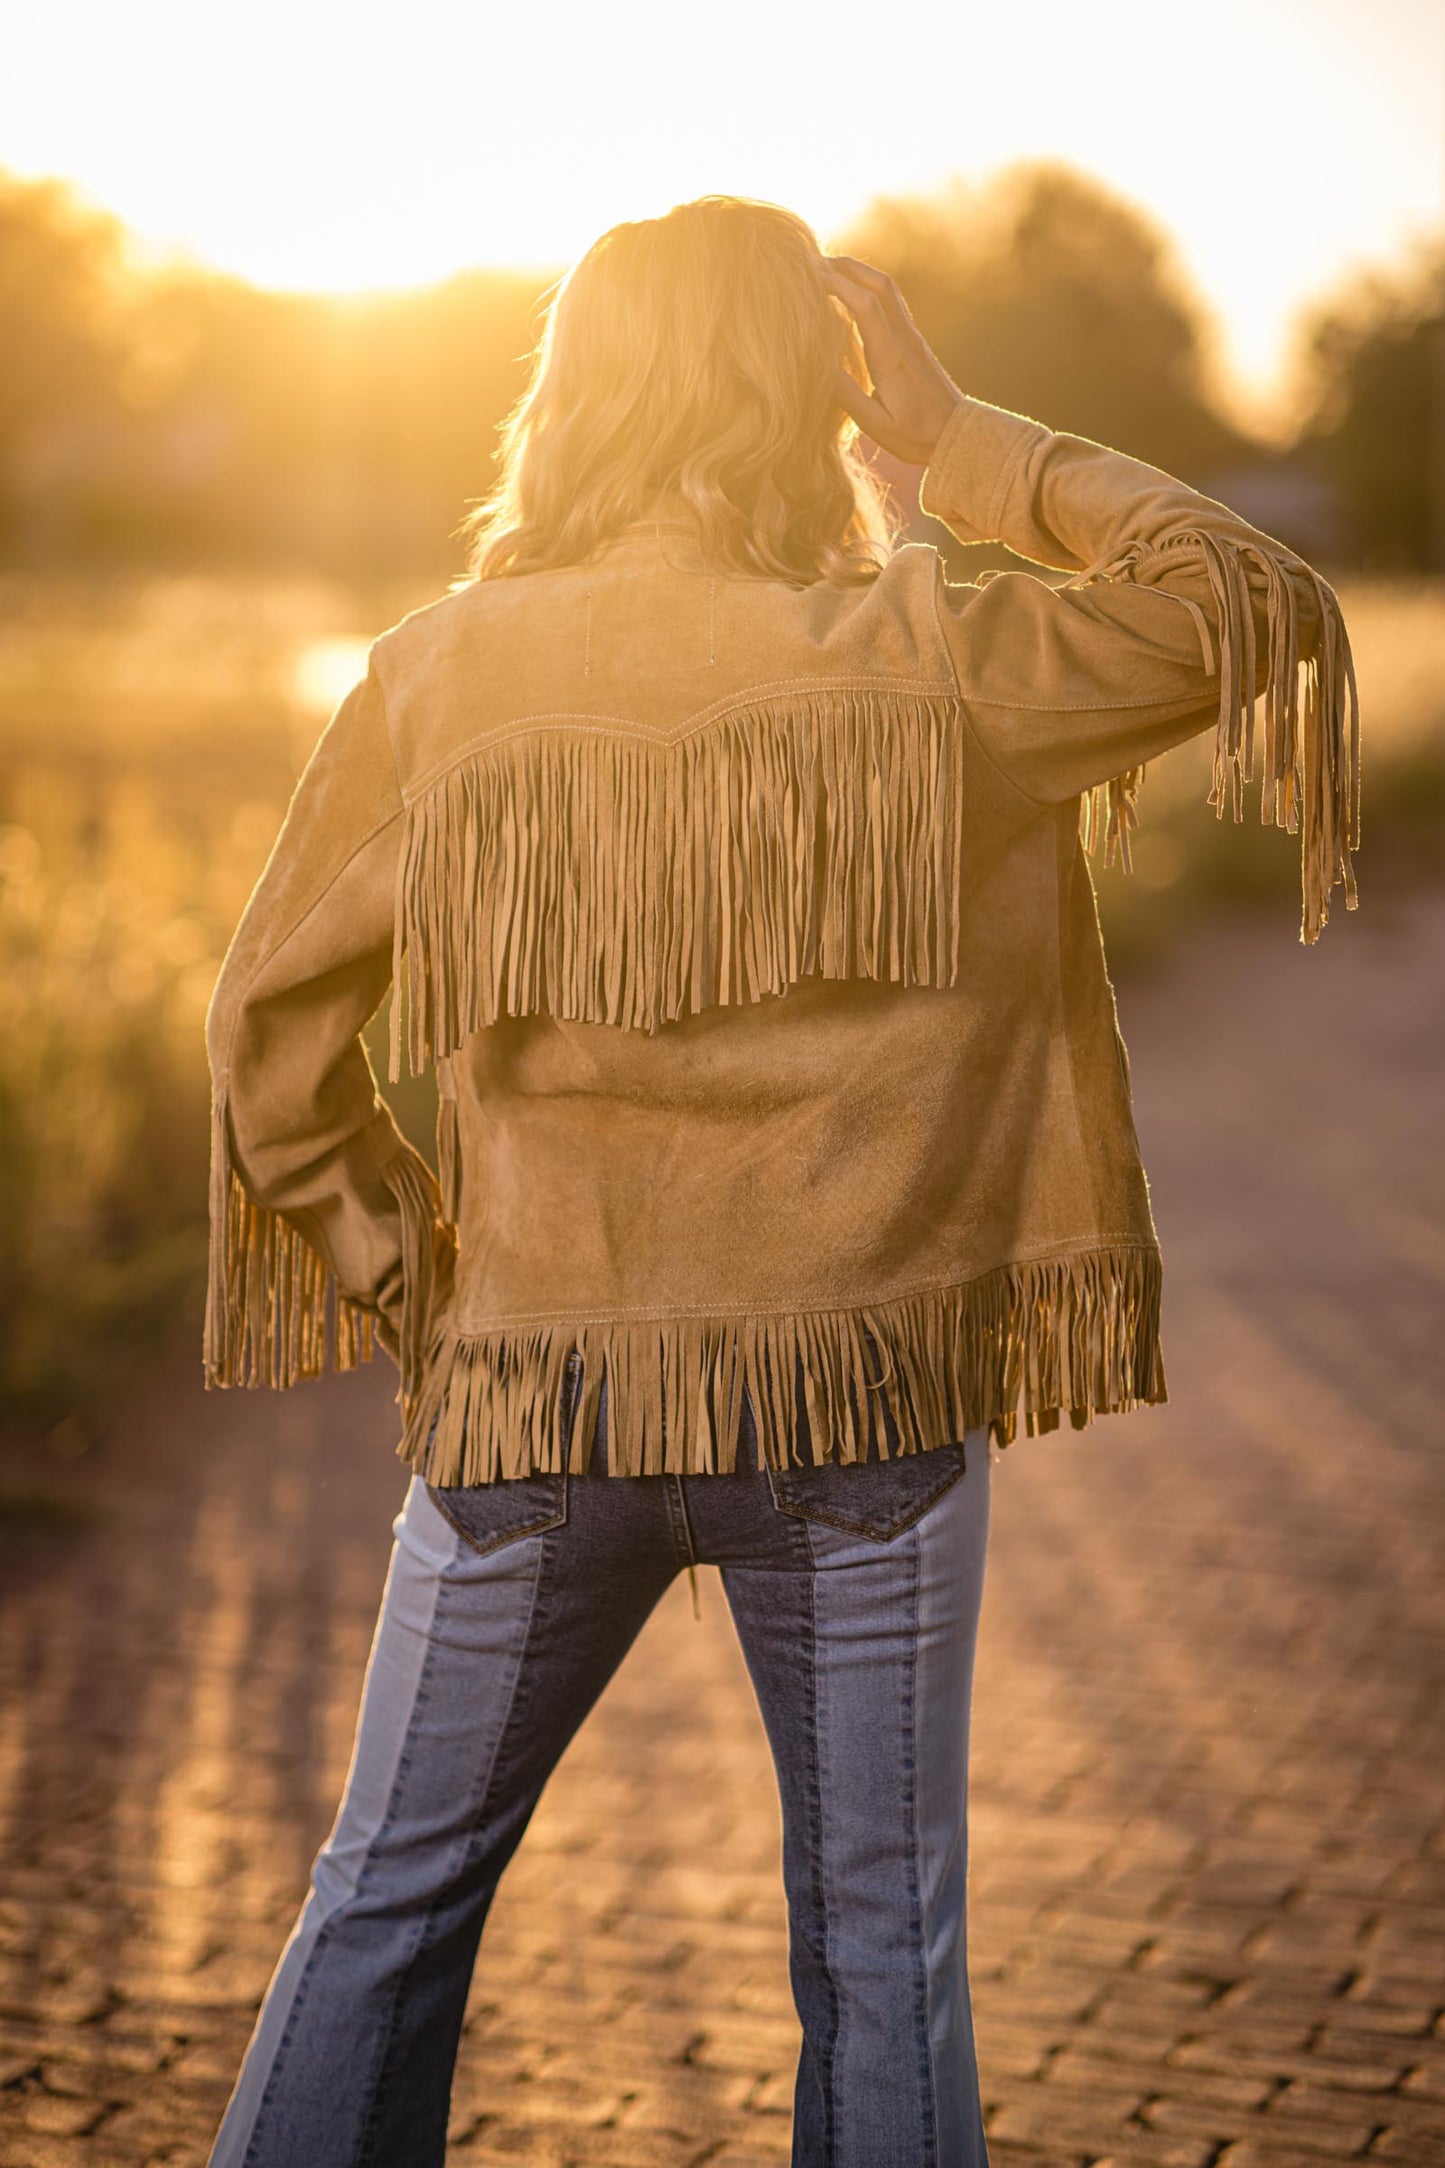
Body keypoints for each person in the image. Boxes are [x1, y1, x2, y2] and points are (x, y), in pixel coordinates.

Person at [201, 196, 1359, 2168]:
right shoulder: (936, 657)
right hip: (861, 1406)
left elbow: (268, 1035)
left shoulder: (438, 676)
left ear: (571, 400)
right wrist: (967, 435)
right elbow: (1252, 602)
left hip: (533, 1396)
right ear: (802, 402)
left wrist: (409, 1265)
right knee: (881, 1952)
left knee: (385, 1905)